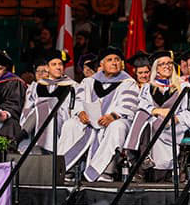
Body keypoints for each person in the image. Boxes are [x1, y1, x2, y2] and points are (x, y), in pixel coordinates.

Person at [58, 47, 139, 182]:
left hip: (115, 120)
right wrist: (80, 112)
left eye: (117, 60)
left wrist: (113, 116)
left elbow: (129, 104)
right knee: (71, 124)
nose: (114, 63)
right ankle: (68, 167)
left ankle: (106, 170)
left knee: (117, 127)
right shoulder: (89, 81)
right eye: (110, 60)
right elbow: (78, 100)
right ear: (101, 64)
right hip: (90, 121)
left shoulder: (128, 83)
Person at [123, 50, 190, 179]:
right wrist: (158, 111)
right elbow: (142, 105)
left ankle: (141, 164)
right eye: (162, 64)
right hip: (154, 123)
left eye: (169, 63)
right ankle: (143, 160)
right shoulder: (148, 87)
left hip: (176, 124)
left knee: (153, 124)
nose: (167, 66)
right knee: (144, 117)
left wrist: (177, 118)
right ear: (156, 69)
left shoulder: (184, 87)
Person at [19, 50, 76, 154]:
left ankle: (23, 134)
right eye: (54, 64)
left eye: (60, 64)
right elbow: (27, 108)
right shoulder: (36, 86)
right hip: (35, 121)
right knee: (42, 108)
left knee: (45, 106)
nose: (58, 67)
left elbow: (72, 110)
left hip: (61, 120)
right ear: (47, 68)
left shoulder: (72, 85)